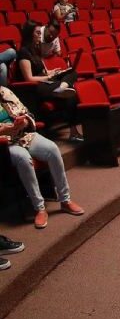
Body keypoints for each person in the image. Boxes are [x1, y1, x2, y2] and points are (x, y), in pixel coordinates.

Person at [0, 85, 86, 229]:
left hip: (23, 135)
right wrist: (3, 130)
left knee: (52, 149)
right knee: (23, 158)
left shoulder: (4, 92)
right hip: (4, 144)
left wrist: (24, 121)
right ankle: (39, 208)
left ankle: (65, 200)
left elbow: (27, 114)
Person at [16, 22, 82, 141]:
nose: (39, 35)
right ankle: (73, 132)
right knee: (71, 93)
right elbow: (29, 78)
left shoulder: (35, 50)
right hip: (34, 88)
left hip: (45, 82)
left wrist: (53, 73)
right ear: (29, 34)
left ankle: (62, 87)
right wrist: (48, 77)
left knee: (72, 73)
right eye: (37, 33)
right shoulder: (23, 52)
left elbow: (43, 72)